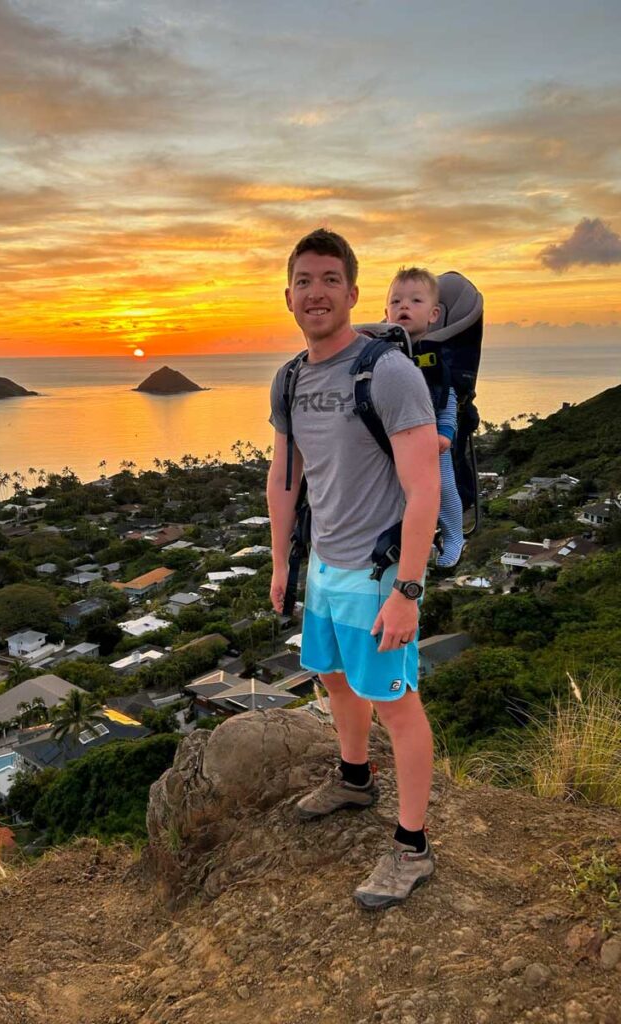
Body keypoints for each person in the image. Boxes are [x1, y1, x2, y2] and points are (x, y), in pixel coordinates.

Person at [267, 228, 441, 909]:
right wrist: (282, 561)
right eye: (305, 280)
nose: (317, 292)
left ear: (352, 292)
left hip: (377, 571)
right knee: (334, 678)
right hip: (324, 569)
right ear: (288, 296)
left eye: (330, 279)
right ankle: (354, 777)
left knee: (396, 704)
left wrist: (407, 587)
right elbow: (285, 477)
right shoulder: (290, 378)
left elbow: (423, 487)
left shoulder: (386, 372)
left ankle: (412, 847)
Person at [386, 267, 464, 567]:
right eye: (396, 302)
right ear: (386, 312)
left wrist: (445, 434)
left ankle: (454, 535)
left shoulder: (434, 359)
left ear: (433, 314)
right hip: (394, 442)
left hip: (431, 442)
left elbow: (448, 400)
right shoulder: (379, 355)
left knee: (443, 487)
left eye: (415, 301)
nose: (404, 306)